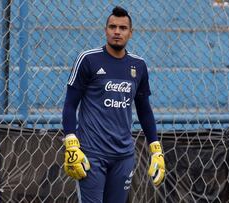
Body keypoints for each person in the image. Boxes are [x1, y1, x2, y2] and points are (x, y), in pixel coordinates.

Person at [62, 6, 165, 203]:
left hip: (124, 156)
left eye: (122, 28)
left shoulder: (139, 65)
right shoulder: (88, 59)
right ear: (106, 30)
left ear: (130, 33)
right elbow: (69, 105)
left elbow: (144, 109)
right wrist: (71, 143)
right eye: (112, 26)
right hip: (92, 153)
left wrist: (156, 148)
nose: (117, 31)